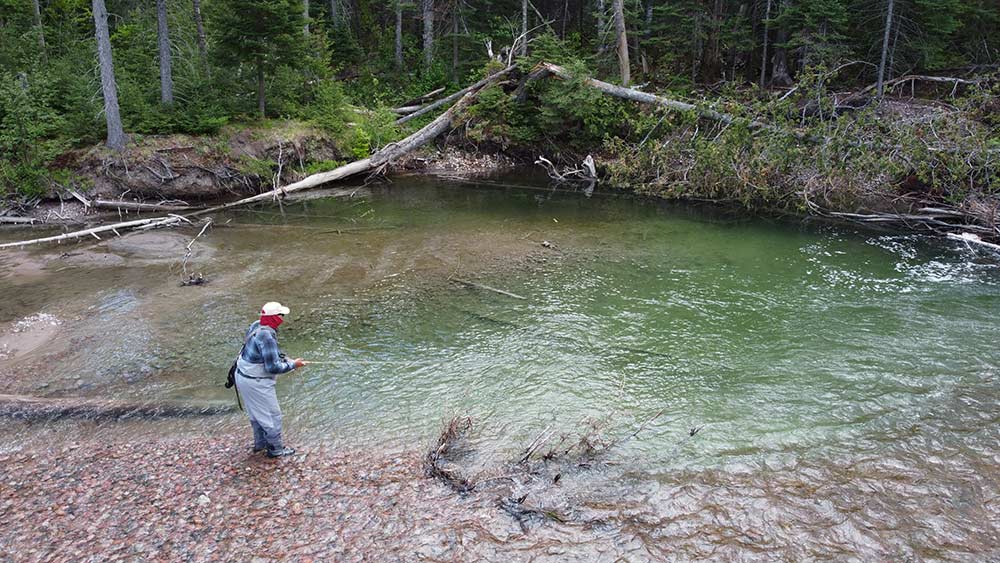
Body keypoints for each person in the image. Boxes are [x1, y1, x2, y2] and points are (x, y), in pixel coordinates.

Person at [235, 301, 308, 458]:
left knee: (256, 414)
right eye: (280, 315)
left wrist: (287, 359)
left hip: (242, 376)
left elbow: (267, 354)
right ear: (274, 318)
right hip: (256, 382)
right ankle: (275, 449)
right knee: (272, 415)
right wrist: (293, 365)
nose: (282, 318)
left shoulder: (256, 326)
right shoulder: (267, 336)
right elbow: (272, 368)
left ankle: (260, 444)